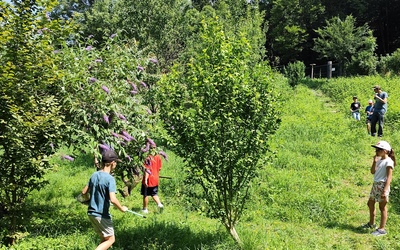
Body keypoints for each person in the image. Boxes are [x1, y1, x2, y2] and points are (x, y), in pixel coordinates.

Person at [81, 150, 128, 250]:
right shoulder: (110, 179)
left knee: (104, 239)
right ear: (112, 163)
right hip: (101, 215)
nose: (116, 164)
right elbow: (113, 199)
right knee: (111, 240)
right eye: (115, 162)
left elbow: (84, 192)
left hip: (91, 213)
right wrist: (122, 209)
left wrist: (88, 201)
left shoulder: (94, 175)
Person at [360, 141, 396, 236]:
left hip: (382, 185)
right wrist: (374, 162)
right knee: (370, 203)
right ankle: (371, 224)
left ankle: (382, 229)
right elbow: (372, 172)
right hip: (376, 185)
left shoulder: (389, 162)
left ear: (385, 151)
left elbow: (389, 177)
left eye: (379, 149)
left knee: (382, 207)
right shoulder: (379, 160)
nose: (376, 151)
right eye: (376, 149)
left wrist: (385, 190)